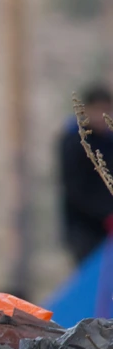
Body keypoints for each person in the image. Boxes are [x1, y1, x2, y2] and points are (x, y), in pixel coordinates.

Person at [59, 84, 113, 264]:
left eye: (106, 110)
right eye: (97, 110)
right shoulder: (74, 141)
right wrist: (106, 212)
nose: (101, 116)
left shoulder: (109, 140)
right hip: (83, 228)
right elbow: (75, 188)